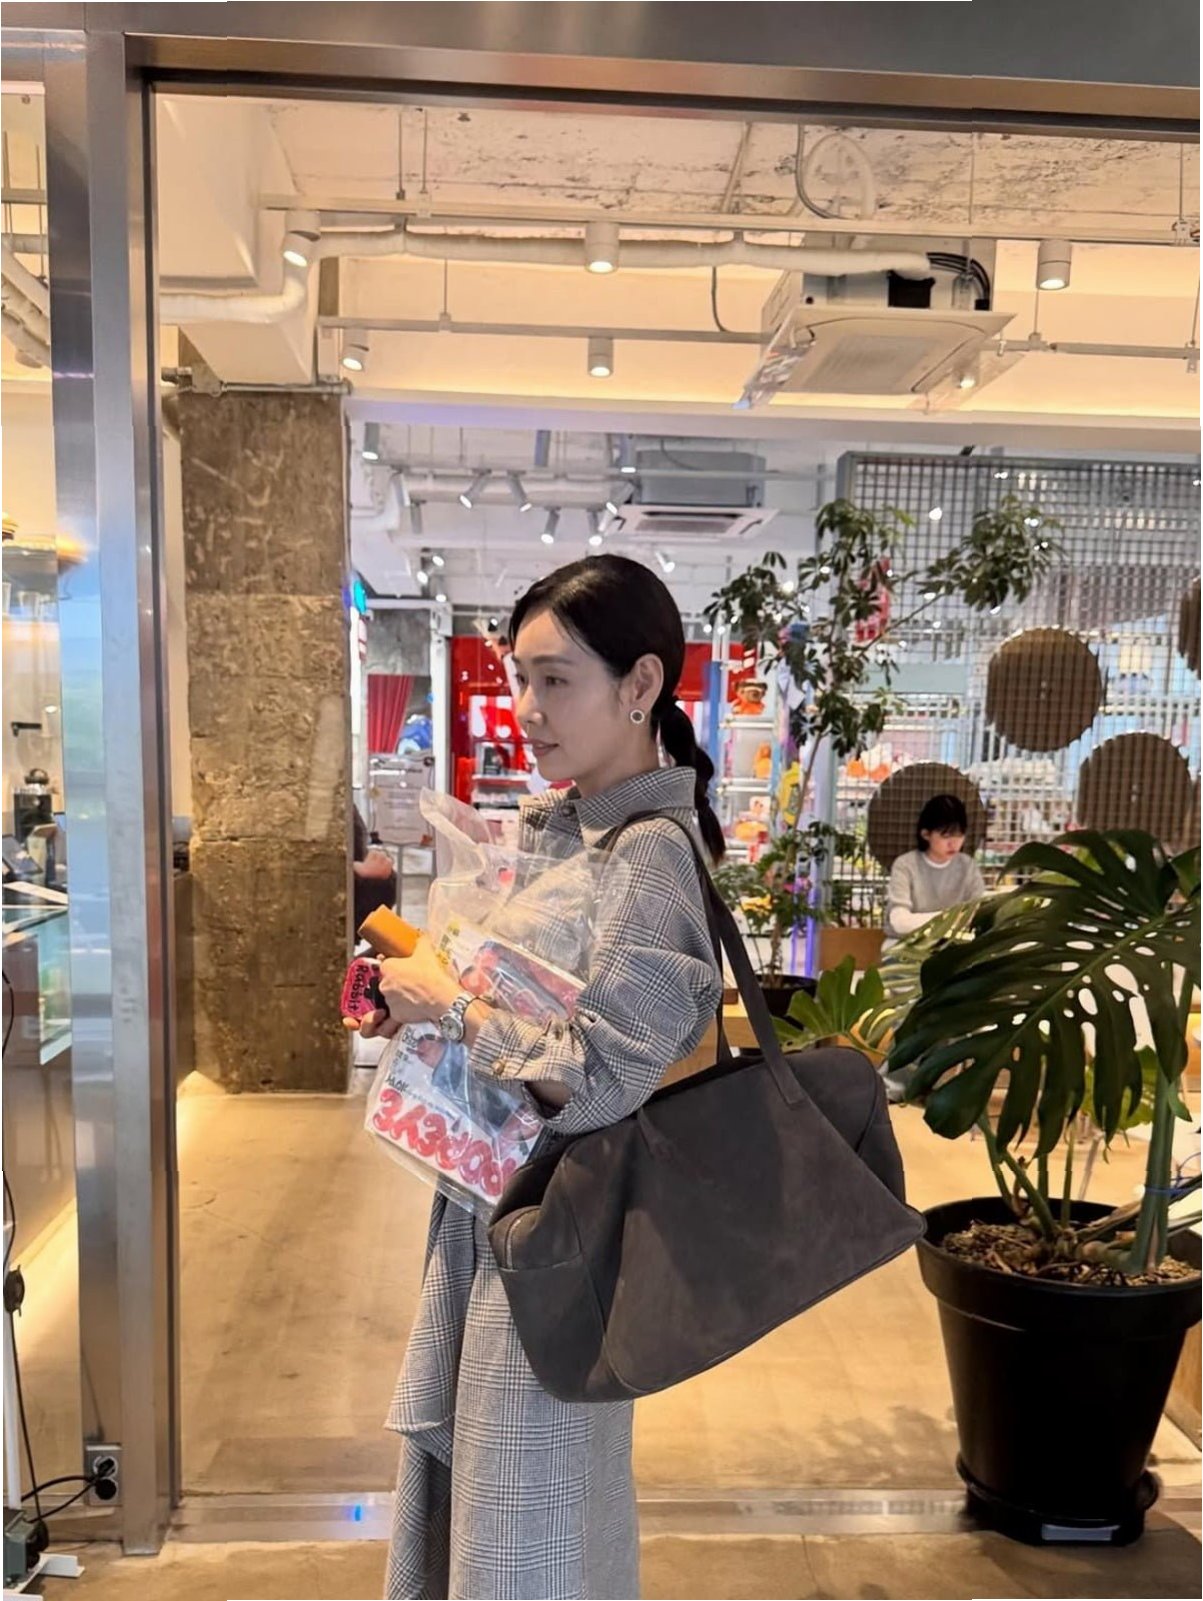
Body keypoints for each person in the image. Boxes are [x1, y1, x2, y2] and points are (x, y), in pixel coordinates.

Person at [354, 554, 725, 1601]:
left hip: (558, 1238)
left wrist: (453, 1008)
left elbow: (605, 1073)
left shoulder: (648, 853)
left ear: (641, 684)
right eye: (520, 677)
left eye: (555, 679)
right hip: (506, 1217)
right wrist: (425, 994)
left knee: (528, 1523)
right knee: (509, 1510)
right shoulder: (572, 828)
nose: (526, 707)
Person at [885, 793, 986, 941]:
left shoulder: (968, 866)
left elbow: (978, 914)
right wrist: (952, 918)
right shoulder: (905, 865)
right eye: (946, 836)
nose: (954, 843)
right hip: (907, 942)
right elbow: (899, 922)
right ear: (926, 834)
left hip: (954, 944)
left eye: (959, 835)